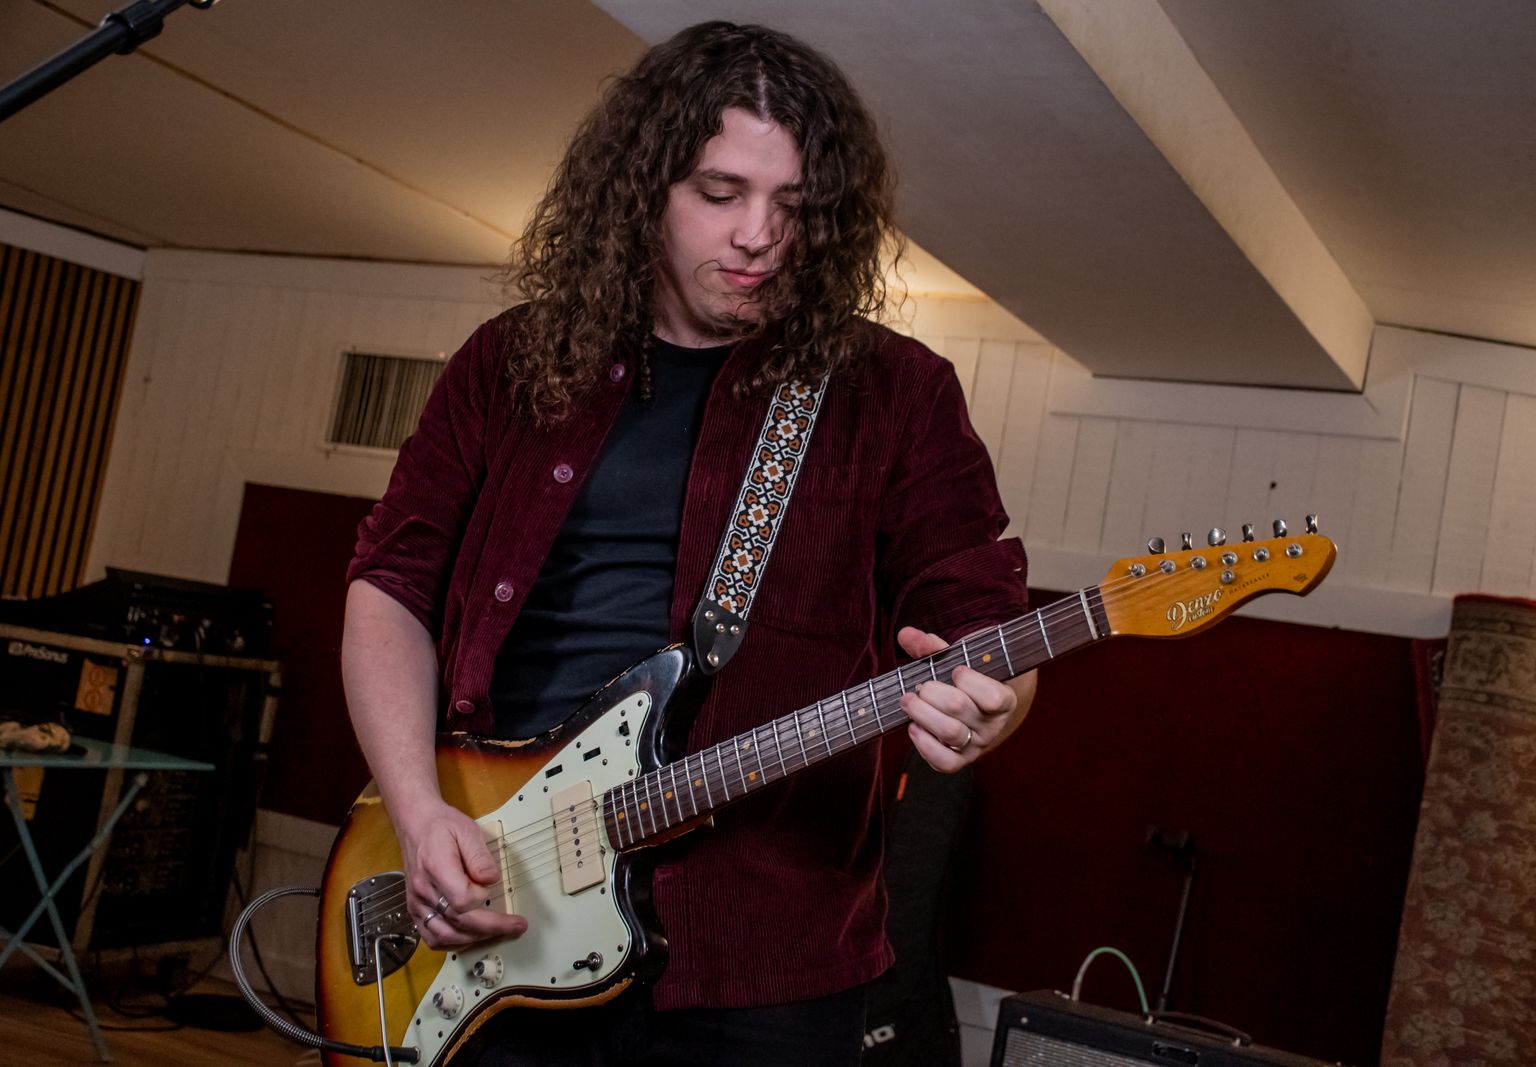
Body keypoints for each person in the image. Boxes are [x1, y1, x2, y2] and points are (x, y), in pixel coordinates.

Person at [342, 20, 1036, 1066]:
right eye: (721, 192)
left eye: (795, 206)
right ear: (642, 190)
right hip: (500, 905)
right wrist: (415, 809)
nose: (759, 235)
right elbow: (389, 586)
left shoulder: (894, 394)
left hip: (764, 956)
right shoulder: (508, 363)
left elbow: (982, 617)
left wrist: (996, 703)